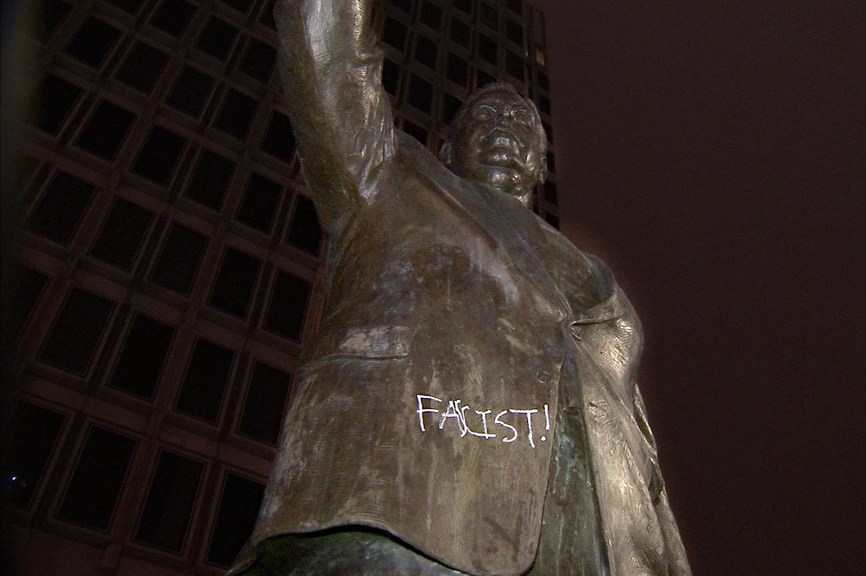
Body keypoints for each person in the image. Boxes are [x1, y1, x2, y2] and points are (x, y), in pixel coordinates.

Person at [229, 0, 691, 574]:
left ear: (543, 167)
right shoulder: (390, 178)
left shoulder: (600, 281)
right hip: (407, 505)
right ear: (448, 148)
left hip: (601, 550)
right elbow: (329, 61)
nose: (505, 130)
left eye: (524, 124)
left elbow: (645, 466)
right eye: (487, 118)